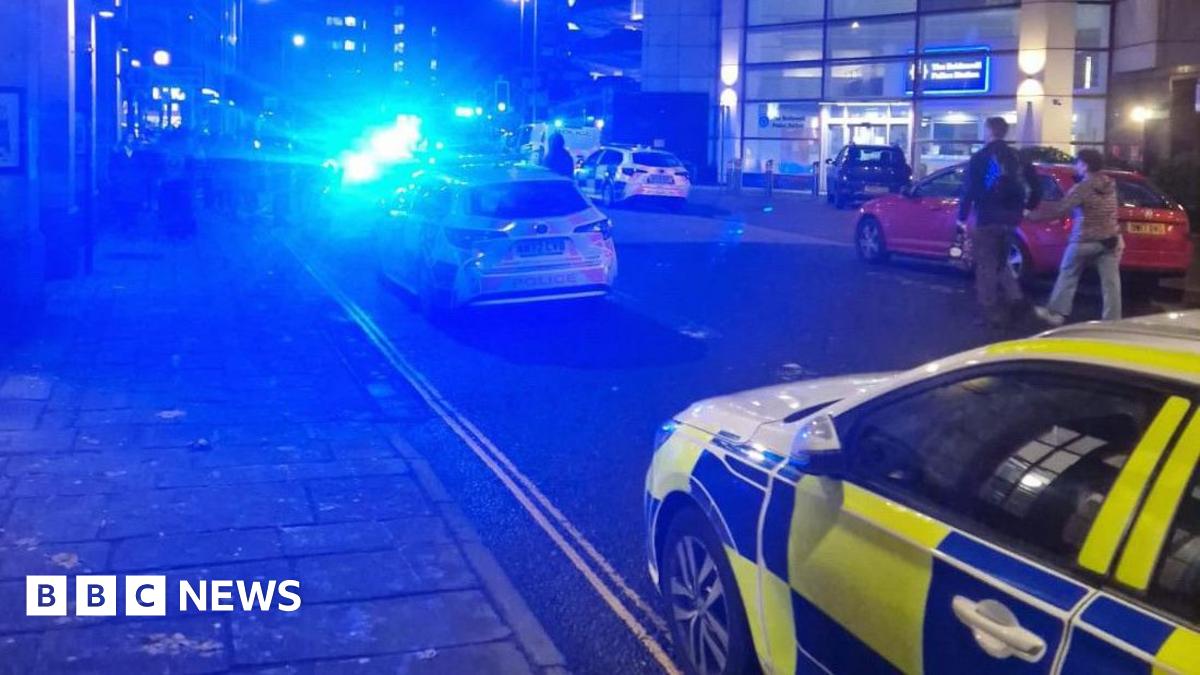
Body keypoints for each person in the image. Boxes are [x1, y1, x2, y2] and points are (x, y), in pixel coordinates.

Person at [957, 116, 1043, 328]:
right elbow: (1036, 187)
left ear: (988, 131)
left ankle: (990, 312)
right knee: (1001, 261)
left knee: (986, 265)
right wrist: (1027, 207)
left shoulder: (980, 157)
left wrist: (961, 217)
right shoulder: (1019, 157)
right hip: (1011, 218)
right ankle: (1017, 301)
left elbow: (969, 190)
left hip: (987, 216)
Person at [1031, 149, 1122, 326]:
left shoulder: (1083, 187)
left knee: (1068, 274)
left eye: (1079, 163)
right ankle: (1113, 321)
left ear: (1085, 165)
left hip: (1085, 240)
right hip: (1110, 239)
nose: (1076, 166)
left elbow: (1060, 208)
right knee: (1111, 284)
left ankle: (1056, 313)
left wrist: (1030, 215)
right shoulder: (1110, 184)